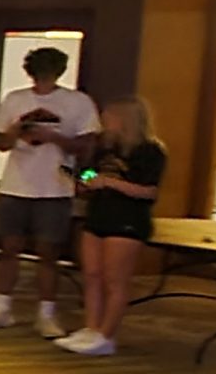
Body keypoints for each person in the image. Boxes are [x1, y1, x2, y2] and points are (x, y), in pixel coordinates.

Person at [0, 46, 97, 337]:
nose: (43, 76)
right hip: (15, 184)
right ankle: (2, 308)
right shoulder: (15, 99)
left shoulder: (77, 102)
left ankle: (46, 314)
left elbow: (86, 145)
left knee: (48, 252)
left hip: (55, 187)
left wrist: (53, 137)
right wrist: (17, 131)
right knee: (8, 248)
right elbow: (2, 143)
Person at [61, 96, 164, 356]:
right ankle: (91, 328)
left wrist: (108, 183)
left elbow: (149, 191)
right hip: (98, 214)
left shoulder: (150, 151)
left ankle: (107, 335)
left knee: (115, 280)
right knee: (92, 275)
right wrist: (85, 181)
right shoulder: (103, 148)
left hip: (127, 219)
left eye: (109, 118)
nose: (104, 123)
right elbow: (89, 173)